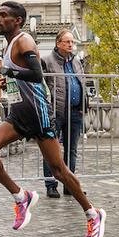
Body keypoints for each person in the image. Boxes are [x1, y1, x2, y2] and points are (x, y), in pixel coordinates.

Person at [0, 1, 105, 237]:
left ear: (18, 21)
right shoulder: (8, 43)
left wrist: (4, 70)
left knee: (59, 171)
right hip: (18, 114)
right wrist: (9, 81)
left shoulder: (24, 41)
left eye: (3, 15)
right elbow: (23, 77)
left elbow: (37, 75)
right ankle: (21, 196)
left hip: (38, 115)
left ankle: (92, 213)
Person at [41, 29, 89, 198]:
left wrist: (84, 104)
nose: (71, 45)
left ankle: (70, 185)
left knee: (72, 150)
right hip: (56, 112)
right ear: (58, 43)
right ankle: (51, 184)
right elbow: (42, 86)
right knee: (51, 151)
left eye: (72, 42)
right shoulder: (47, 61)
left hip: (75, 112)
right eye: (67, 42)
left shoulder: (76, 61)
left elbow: (81, 82)